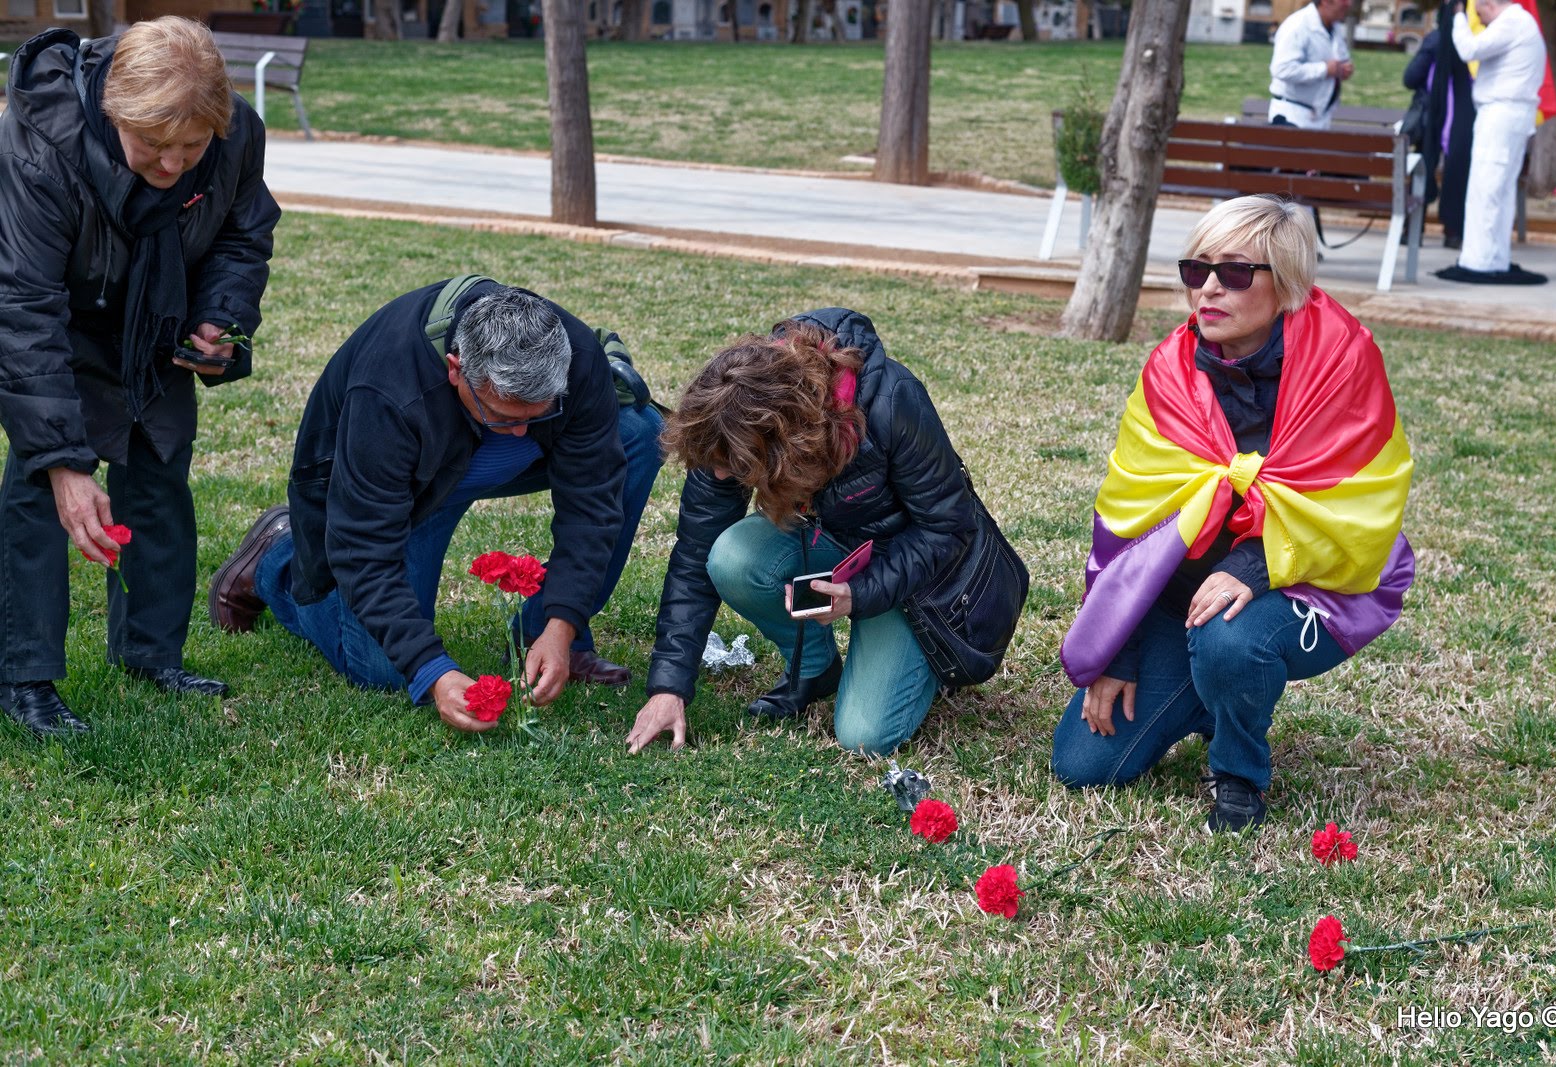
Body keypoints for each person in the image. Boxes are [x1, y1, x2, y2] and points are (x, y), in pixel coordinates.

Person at [1052, 196, 1415, 834]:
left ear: (1289, 285)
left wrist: (1253, 565)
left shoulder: (1342, 364)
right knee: (1084, 764)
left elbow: (1357, 502)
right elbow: (1133, 525)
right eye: (1198, 271)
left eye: (1238, 273)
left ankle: (1239, 769)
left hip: (1305, 585)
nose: (1211, 288)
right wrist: (1120, 649)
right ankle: (1209, 688)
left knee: (1230, 637)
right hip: (1180, 598)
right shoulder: (1169, 373)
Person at [208, 279, 663, 733]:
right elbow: (365, 551)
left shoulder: (574, 356)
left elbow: (592, 504)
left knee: (639, 431)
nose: (523, 432)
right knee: (382, 669)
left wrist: (561, 623)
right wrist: (433, 672)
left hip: (468, 456)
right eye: (503, 416)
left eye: (539, 414)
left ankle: (534, 634)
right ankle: (276, 558)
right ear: (455, 368)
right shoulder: (387, 391)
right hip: (403, 484)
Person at [0, 18, 280, 738]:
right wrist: (65, 460)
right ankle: (24, 676)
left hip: (156, 312)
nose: (174, 163)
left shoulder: (234, 132)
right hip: (54, 311)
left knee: (158, 472)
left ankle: (151, 652)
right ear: (114, 111)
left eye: (191, 148)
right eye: (153, 146)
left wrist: (220, 314)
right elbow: (23, 304)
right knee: (42, 487)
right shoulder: (42, 142)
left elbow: (244, 233)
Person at [625, 308, 1026, 757]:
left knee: (863, 735)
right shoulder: (724, 426)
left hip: (915, 577)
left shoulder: (892, 399)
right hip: (837, 542)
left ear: (784, 445)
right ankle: (815, 669)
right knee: (731, 557)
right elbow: (696, 556)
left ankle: (904, 659)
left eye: (736, 468)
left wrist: (862, 593)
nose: (721, 476)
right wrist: (668, 687)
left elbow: (947, 530)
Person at [1439, 0, 1549, 283]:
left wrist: (1459, 17)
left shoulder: (1512, 21)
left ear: (1489, 5)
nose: (1481, 21)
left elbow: (1469, 49)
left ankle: (1479, 260)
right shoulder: (1520, 21)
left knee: (1486, 188)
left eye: (1480, 13)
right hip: (1509, 115)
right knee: (1498, 190)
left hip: (1502, 115)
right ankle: (1493, 257)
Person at [1403, 25, 1476, 248]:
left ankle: (1412, 230)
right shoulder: (1477, 38)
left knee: (1422, 171)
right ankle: (1454, 232)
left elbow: (1411, 78)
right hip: (1461, 122)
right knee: (1456, 173)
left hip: (1433, 123)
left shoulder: (1437, 38)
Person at [1267, 0, 1354, 130]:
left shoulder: (1334, 27)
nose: (1349, 4)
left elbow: (1340, 59)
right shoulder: (1297, 25)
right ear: (1325, 2)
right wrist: (1324, 69)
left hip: (1319, 118)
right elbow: (1282, 69)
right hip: (1292, 119)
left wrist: (1343, 69)